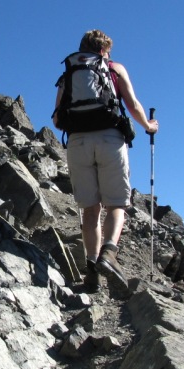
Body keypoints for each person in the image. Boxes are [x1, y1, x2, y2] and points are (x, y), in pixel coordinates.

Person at [52, 30, 158, 291]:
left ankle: (91, 273)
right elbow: (132, 104)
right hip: (110, 139)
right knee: (116, 205)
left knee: (90, 209)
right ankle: (109, 253)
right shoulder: (113, 68)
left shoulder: (69, 74)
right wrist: (148, 126)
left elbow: (56, 119)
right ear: (103, 50)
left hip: (78, 142)